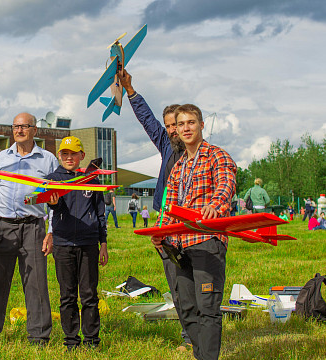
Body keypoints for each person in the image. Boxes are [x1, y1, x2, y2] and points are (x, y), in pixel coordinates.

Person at [151, 104, 237, 360]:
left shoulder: (217, 156)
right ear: (175, 130)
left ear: (200, 125)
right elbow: (169, 206)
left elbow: (226, 185)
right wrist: (161, 232)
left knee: (207, 307)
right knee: (187, 308)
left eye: (191, 122)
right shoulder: (178, 167)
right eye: (181, 124)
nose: (186, 128)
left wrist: (215, 205)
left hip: (207, 241)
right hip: (179, 245)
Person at [118, 69, 191, 349]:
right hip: (167, 231)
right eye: (169, 126)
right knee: (175, 285)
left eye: (177, 124)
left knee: (193, 284)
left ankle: (200, 335)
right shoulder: (166, 146)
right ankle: (188, 337)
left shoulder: (195, 152)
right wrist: (130, 90)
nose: (173, 130)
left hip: (191, 228)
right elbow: (147, 120)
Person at [0, 112, 58, 345]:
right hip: (1, 226)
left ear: (35, 130)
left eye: (25, 126)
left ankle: (39, 336)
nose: (19, 130)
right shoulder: (1, 158)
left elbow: (55, 199)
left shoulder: (48, 160)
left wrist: (51, 232)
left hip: (33, 228)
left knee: (36, 283)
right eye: (16, 126)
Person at [46, 136, 108, 350]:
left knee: (89, 294)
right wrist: (53, 203)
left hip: (89, 243)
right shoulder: (53, 178)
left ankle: (92, 340)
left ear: (82, 155)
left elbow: (101, 213)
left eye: (73, 154)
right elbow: (53, 208)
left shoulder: (92, 179)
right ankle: (71, 340)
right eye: (65, 154)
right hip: (63, 244)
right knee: (67, 295)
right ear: (60, 156)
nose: (69, 158)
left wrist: (104, 244)